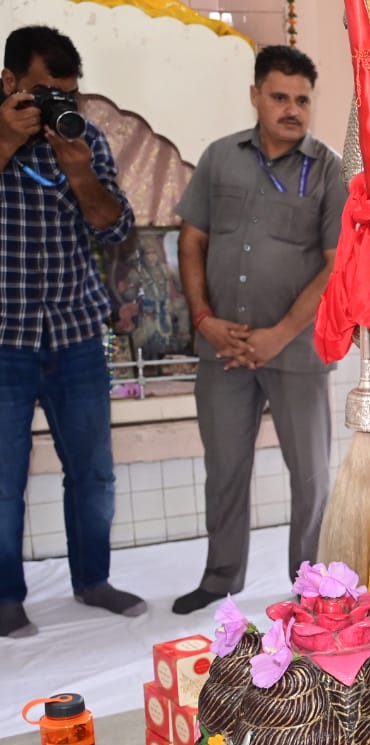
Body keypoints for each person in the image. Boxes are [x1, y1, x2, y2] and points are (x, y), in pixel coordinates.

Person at [172, 45, 346, 615]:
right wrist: (204, 320)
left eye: (302, 100)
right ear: (255, 96)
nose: (292, 109)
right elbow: (191, 240)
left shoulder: (328, 170)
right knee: (224, 467)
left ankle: (311, 588)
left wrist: (278, 334)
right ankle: (221, 576)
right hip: (221, 345)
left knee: (312, 476)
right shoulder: (220, 159)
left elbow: (334, 264)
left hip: (296, 348)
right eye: (280, 97)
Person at [0, 25, 146, 636]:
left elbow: (118, 231)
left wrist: (81, 174)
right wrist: (5, 141)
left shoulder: (82, 140)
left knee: (93, 470)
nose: (56, 106)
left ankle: (93, 581)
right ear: (8, 82)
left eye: (67, 94)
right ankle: (6, 597)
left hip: (78, 332)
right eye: (42, 92)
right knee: (3, 481)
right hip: (4, 337)